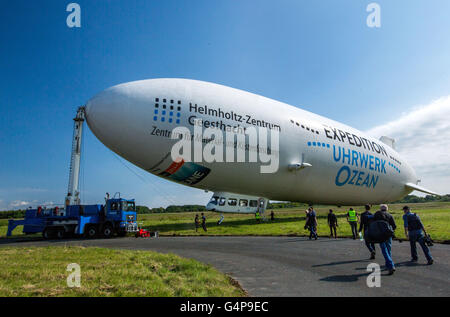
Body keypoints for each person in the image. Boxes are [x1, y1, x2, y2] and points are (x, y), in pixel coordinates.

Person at [374, 204, 397, 275]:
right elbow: (394, 226)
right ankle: (388, 264)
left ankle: (390, 265)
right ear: (387, 209)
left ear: (380, 209)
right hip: (388, 235)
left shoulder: (377, 215)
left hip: (381, 236)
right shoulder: (390, 215)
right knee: (388, 249)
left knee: (384, 250)